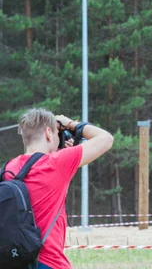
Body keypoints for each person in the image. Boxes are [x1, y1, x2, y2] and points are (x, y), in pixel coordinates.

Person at [3, 108, 113, 269]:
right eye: (56, 133)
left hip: (15, 260)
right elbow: (106, 138)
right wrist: (70, 123)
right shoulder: (57, 163)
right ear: (48, 133)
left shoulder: (9, 168)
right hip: (49, 262)